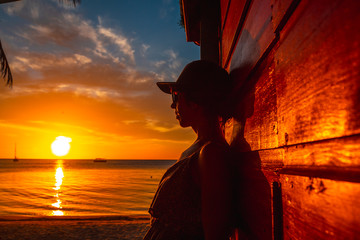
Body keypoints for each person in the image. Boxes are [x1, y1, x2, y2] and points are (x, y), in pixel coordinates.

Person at [143, 60, 234, 240]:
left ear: (195, 102)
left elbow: (215, 234)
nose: (172, 105)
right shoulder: (198, 150)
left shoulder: (211, 154)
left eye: (176, 96)